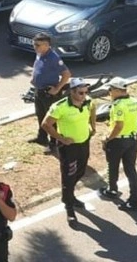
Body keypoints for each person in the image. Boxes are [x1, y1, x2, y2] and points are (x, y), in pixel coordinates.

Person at [41, 78, 97, 223]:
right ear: (71, 92)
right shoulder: (60, 107)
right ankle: (69, 206)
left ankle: (69, 196)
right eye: (80, 92)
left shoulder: (88, 101)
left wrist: (93, 126)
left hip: (84, 143)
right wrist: (61, 138)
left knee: (81, 171)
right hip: (69, 148)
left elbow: (92, 110)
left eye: (86, 92)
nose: (84, 95)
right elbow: (46, 124)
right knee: (69, 176)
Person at [98, 77, 137, 211]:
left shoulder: (118, 106)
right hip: (133, 139)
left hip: (118, 141)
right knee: (130, 169)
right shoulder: (134, 101)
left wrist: (107, 138)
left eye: (111, 89)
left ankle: (112, 190)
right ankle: (135, 198)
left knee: (113, 165)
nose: (109, 92)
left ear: (118, 90)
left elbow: (118, 126)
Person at [29, 33, 71, 151]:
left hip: (49, 94)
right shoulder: (39, 54)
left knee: (51, 120)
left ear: (46, 45)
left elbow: (66, 74)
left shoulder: (54, 58)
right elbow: (37, 66)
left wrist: (57, 88)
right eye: (34, 44)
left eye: (37, 45)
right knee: (40, 115)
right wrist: (34, 78)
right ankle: (42, 137)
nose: (35, 47)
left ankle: (53, 143)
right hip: (39, 91)